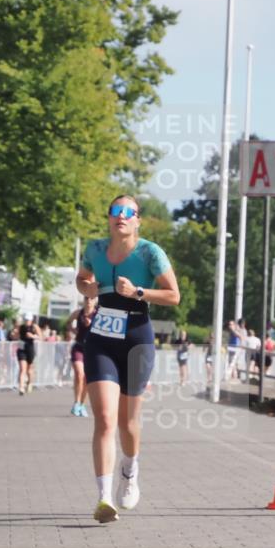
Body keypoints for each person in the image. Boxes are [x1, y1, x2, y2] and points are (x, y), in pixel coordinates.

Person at [75, 195, 180, 523]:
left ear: (137, 220)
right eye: (115, 211)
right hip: (102, 339)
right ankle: (105, 498)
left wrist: (137, 292)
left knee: (128, 423)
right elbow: (81, 280)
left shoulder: (150, 252)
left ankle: (130, 470)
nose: (121, 216)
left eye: (128, 212)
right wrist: (88, 289)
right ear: (108, 217)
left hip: (137, 338)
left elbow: (173, 296)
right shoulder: (94, 249)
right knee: (105, 419)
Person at [67, 297, 97, 417]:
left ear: (95, 300)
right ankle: (76, 403)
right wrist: (74, 331)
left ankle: (82, 404)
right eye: (86, 298)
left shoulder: (98, 314)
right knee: (79, 374)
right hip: (79, 347)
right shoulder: (78, 313)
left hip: (92, 350)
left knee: (87, 379)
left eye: (91, 299)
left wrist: (92, 325)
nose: (88, 301)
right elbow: (68, 322)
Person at [16, 314, 41, 395]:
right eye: (26, 320)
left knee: (29, 370)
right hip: (21, 349)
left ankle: (30, 383)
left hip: (30, 348)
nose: (27, 322)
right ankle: (21, 387)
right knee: (22, 368)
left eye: (28, 320)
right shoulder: (21, 327)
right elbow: (16, 336)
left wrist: (33, 336)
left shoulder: (34, 327)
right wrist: (14, 335)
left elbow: (41, 337)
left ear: (31, 320)